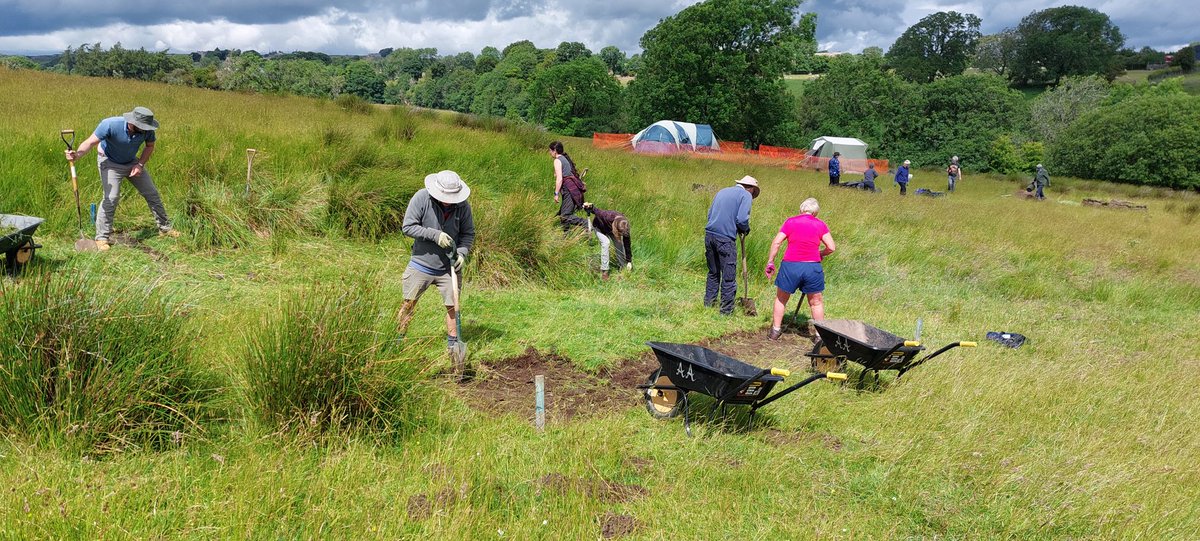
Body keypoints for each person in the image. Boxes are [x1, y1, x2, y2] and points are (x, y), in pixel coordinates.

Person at [63, 106, 178, 251]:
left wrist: (140, 164)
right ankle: (102, 238)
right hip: (110, 162)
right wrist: (77, 155)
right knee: (111, 197)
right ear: (132, 123)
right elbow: (90, 142)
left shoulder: (147, 130)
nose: (145, 130)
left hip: (132, 162)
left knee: (151, 193)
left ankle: (165, 228)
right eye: (142, 127)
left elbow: (150, 146)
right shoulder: (110, 124)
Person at [397, 170, 476, 355]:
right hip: (420, 263)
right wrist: (435, 235)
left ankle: (453, 348)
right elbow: (408, 226)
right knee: (409, 302)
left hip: (448, 266)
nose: (448, 200)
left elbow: (468, 234)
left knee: (453, 306)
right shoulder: (421, 198)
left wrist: (462, 253)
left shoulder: (463, 206)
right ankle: (397, 341)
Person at [763, 198, 835, 340]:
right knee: (816, 302)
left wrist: (770, 261)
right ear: (815, 212)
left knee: (781, 299)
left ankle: (775, 331)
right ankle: (819, 336)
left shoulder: (791, 222)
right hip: (812, 267)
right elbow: (831, 247)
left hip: (791, 266)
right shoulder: (820, 224)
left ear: (801, 209)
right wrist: (820, 254)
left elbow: (777, 242)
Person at [704, 176, 759, 315]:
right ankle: (726, 311)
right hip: (725, 239)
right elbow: (742, 219)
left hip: (709, 235)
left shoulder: (722, 191)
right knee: (728, 276)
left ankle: (708, 304)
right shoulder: (745, 195)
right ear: (751, 189)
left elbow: (710, 214)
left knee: (713, 272)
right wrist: (744, 229)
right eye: (754, 193)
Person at [582, 202, 632, 280]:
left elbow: (627, 244)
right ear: (616, 229)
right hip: (599, 228)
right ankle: (605, 271)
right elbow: (596, 210)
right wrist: (589, 207)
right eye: (620, 234)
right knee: (606, 243)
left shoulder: (624, 226)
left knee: (619, 245)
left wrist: (629, 261)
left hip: (611, 229)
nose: (621, 236)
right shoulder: (607, 216)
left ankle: (623, 268)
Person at [550, 141, 587, 230]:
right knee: (563, 213)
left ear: (554, 150)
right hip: (572, 188)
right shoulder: (564, 158)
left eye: (550, 150)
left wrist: (556, 194)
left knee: (565, 215)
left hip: (569, 189)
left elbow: (559, 179)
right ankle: (566, 236)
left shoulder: (557, 160)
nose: (549, 153)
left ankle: (586, 223)